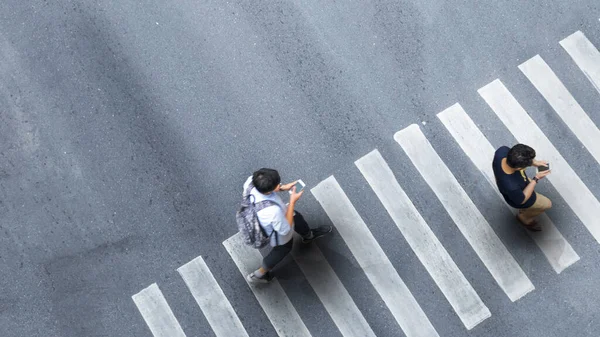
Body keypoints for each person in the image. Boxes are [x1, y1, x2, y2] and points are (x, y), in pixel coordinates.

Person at [244, 168, 332, 283]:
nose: (279, 185)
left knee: (296, 216)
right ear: (269, 191)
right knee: (283, 248)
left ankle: (308, 235)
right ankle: (259, 274)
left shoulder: (250, 182)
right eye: (276, 185)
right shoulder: (272, 212)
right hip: (273, 225)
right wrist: (292, 201)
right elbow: (286, 227)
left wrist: (281, 188)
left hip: (258, 217)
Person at [492, 144, 552, 231]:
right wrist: (536, 178)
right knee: (547, 204)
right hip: (520, 197)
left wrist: (534, 163)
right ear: (519, 168)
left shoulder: (501, 151)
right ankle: (524, 218)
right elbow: (522, 199)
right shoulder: (511, 186)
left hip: (516, 186)